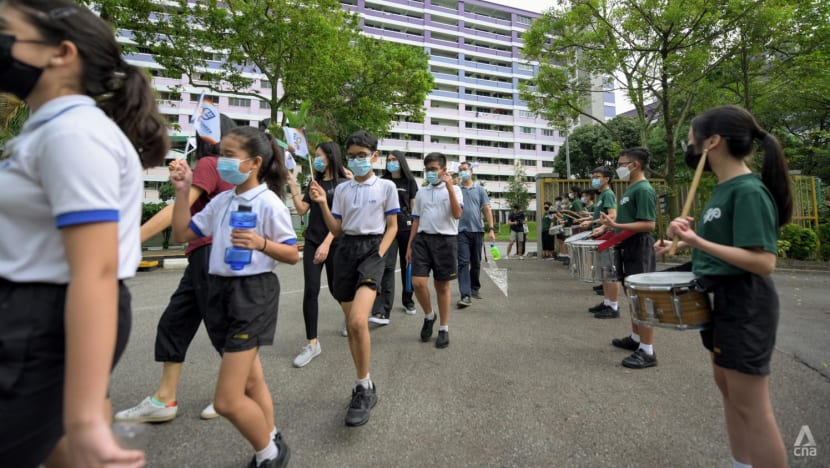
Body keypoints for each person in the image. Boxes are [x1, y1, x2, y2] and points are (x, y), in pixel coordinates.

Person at [0, 1, 168, 466]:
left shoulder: (75, 134)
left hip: (40, 318)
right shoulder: (48, 129)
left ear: (62, 53)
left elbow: (95, 271)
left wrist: (86, 418)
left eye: (6, 30)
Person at [657, 105, 791, 468]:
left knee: (753, 409)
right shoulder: (722, 189)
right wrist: (684, 243)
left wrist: (698, 242)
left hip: (747, 303)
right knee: (730, 394)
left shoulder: (748, 190)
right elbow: (726, 247)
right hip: (724, 300)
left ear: (712, 142)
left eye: (691, 142)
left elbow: (764, 261)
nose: (689, 149)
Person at [170, 126, 298, 468]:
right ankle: (268, 436)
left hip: (252, 294)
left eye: (228, 155)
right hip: (217, 291)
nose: (219, 161)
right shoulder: (223, 201)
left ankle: (271, 453)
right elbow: (183, 232)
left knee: (227, 400)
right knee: (253, 381)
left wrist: (260, 244)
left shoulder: (269, 202)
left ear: (254, 162)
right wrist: (183, 193)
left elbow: (291, 254)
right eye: (219, 153)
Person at [115, 115, 236, 423]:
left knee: (220, 328)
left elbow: (174, 211)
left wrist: (134, 238)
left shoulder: (210, 165)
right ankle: (164, 399)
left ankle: (237, 393)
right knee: (175, 322)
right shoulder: (220, 169)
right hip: (203, 255)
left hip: (209, 254)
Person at [308, 130, 399, 426]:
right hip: (345, 251)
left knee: (359, 320)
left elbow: (393, 227)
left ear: (374, 156)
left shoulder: (386, 187)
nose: (358, 160)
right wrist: (322, 202)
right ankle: (364, 384)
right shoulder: (343, 191)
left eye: (363, 155)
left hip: (373, 250)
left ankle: (363, 387)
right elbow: (336, 231)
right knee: (352, 323)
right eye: (353, 155)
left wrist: (380, 255)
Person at [287, 142, 350, 368]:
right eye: (315, 156)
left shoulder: (344, 184)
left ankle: (352, 318)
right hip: (313, 242)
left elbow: (342, 220)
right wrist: (293, 184)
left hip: (335, 243)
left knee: (337, 289)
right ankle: (312, 343)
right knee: (311, 290)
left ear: (331, 157)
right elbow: (302, 209)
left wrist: (327, 243)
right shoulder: (314, 182)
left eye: (320, 156)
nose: (317, 159)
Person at [598, 148, 658, 371]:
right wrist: (608, 230)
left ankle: (648, 350)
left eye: (622, 163)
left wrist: (616, 226)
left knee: (641, 299)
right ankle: (636, 339)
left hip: (639, 246)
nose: (619, 167)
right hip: (628, 245)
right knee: (631, 296)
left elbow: (648, 224)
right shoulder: (631, 188)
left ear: (635, 165)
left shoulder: (643, 189)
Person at [406, 152, 463, 347]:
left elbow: (457, 214)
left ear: (444, 170)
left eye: (434, 169)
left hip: (446, 240)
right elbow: (416, 219)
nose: (430, 173)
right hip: (422, 240)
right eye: (427, 169)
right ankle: (429, 315)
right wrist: (410, 245)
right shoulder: (421, 192)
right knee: (418, 283)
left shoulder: (455, 190)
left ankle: (443, 328)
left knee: (442, 285)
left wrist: (449, 187)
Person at [370, 150, 419, 323]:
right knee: (387, 266)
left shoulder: (410, 181)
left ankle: (408, 300)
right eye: (389, 160)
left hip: (406, 227)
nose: (391, 162)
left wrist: (416, 230)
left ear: (401, 162)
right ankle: (383, 310)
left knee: (408, 264)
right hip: (388, 228)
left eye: (394, 160)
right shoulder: (382, 181)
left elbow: (414, 208)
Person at [455, 161, 495, 306]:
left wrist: (491, 229)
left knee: (475, 262)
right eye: (460, 170)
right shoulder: (456, 189)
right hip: (461, 231)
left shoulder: (480, 190)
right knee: (463, 262)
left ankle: (474, 287)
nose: (462, 172)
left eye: (465, 169)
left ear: (471, 171)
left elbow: (486, 209)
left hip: (477, 230)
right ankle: (465, 295)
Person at [582, 167, 619, 311]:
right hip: (600, 235)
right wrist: (590, 220)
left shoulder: (608, 194)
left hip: (606, 236)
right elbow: (602, 215)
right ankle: (607, 302)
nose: (594, 179)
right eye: (593, 176)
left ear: (607, 179)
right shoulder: (602, 195)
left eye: (597, 176)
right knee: (603, 271)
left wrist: (600, 227)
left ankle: (613, 306)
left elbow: (613, 215)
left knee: (609, 271)